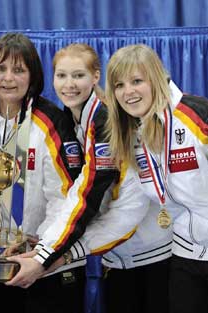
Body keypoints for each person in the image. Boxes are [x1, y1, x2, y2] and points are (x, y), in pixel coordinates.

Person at [103, 44, 208, 313]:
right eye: (119, 85)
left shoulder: (205, 117)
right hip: (184, 257)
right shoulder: (135, 133)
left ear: (157, 79)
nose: (128, 93)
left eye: (137, 81)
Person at [0, 33, 84, 313]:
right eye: (0, 68)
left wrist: (39, 254)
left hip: (45, 266)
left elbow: (65, 200)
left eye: (18, 70)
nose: (8, 78)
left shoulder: (51, 123)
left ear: (33, 76)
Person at [54, 43, 172, 313]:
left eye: (78, 75)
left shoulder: (110, 121)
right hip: (116, 256)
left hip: (151, 252)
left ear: (96, 77)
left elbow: (125, 203)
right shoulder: (72, 123)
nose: (69, 84)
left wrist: (58, 252)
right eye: (61, 76)